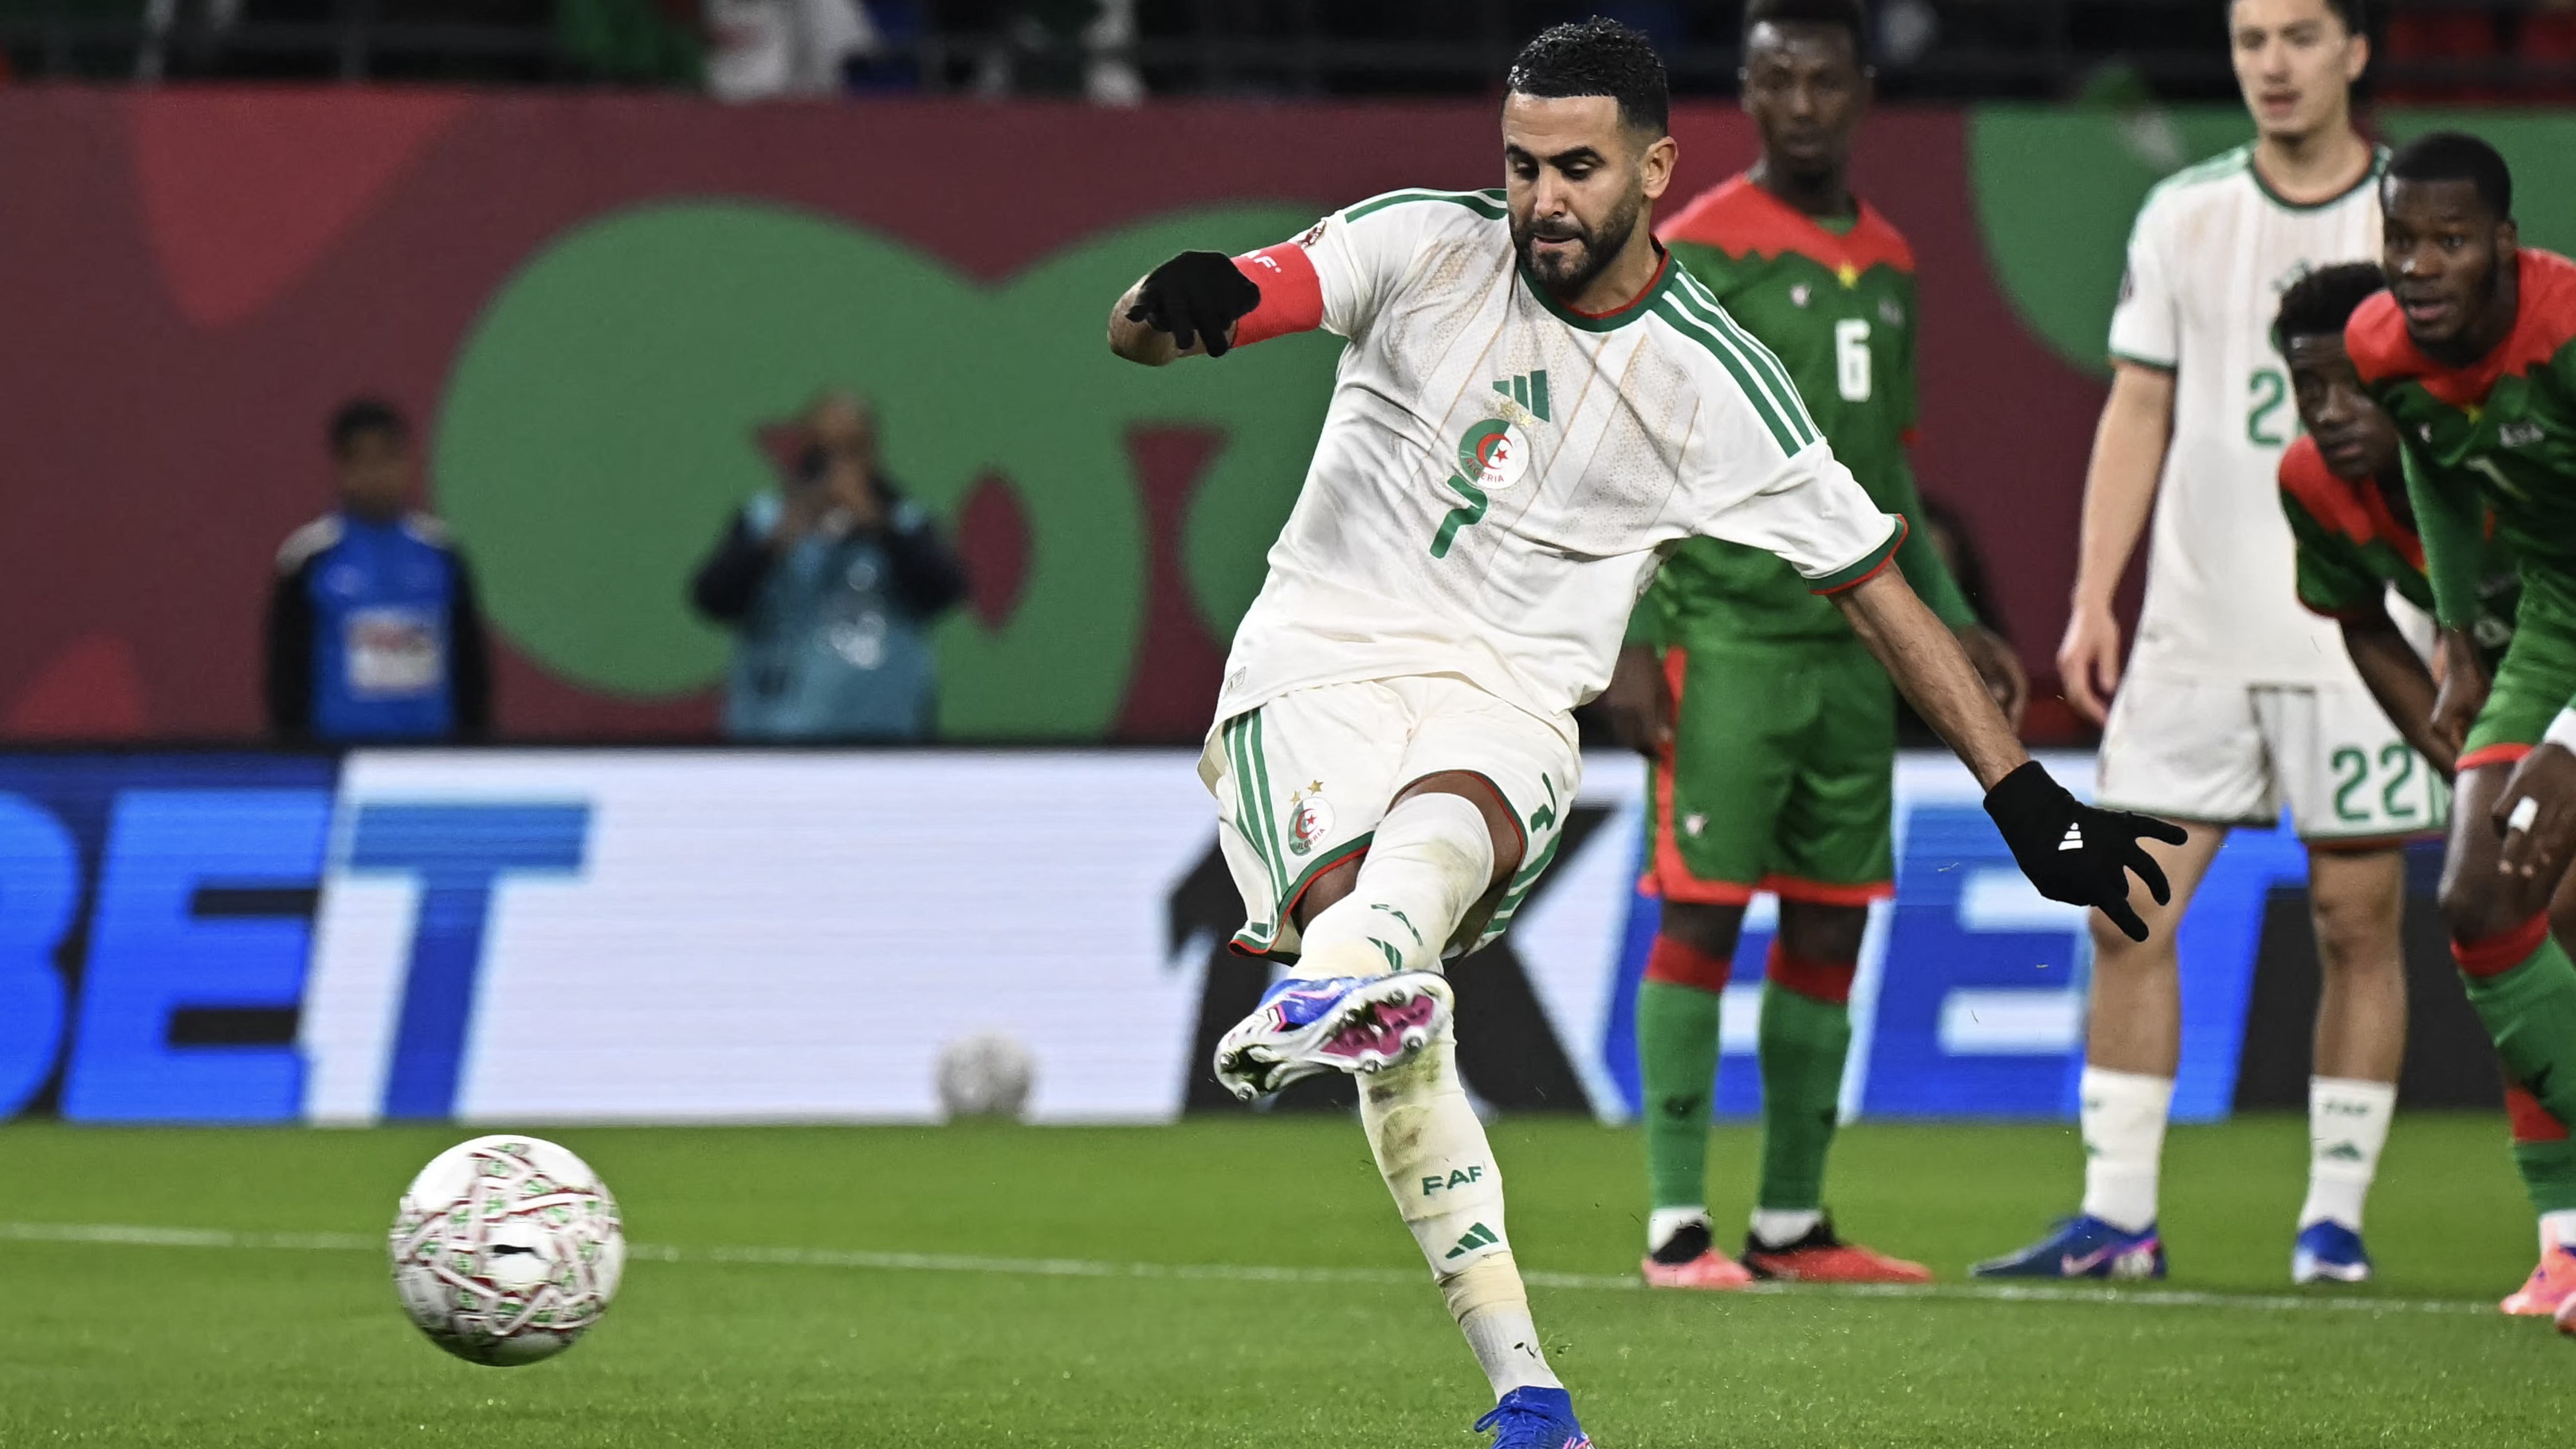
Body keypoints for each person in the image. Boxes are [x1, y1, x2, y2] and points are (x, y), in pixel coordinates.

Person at [1105, 18, 2181, 1444]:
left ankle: (1344, 975)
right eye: (1520, 163)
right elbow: (1210, 305)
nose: (1541, 198)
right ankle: (1528, 1387)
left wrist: (2024, 797)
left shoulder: (1714, 382)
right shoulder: (1423, 244)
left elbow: (1881, 590)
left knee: (1420, 869)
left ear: (1656, 167)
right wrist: (1165, 304)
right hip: (1315, 672)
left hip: (1508, 702)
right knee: (1394, 996)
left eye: (1576, 167)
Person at [1979, 0, 2420, 1287]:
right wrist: (2091, 593)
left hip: (2358, 624)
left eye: (2297, 37)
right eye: (2247, 41)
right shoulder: (2180, 211)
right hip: (2192, 623)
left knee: (2354, 916)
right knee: (2124, 907)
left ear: (2354, 50)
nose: (2270, 66)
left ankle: (2330, 1223)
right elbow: (2137, 405)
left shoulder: (2412, 219)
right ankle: (2116, 1216)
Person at [1594, 0, 2024, 1293]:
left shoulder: (1887, 258)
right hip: (1722, 637)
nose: (1796, 103)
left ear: (1858, 94)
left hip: (1851, 653)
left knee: (1832, 928)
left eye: (1820, 80)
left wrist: (1947, 617)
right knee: (1703, 917)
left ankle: (1790, 1224)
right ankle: (1676, 1228)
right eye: (1772, 79)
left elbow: (1884, 468)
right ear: (1746, 89)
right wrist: (1620, 632)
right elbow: (1626, 450)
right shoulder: (1698, 248)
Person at [2349, 131, 2576, 1333]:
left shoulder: (2571, 329)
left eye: (2449, 241)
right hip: (2552, 615)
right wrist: (2453, 634)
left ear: (2504, 242)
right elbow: (2436, 471)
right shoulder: (2381, 347)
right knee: (2481, 902)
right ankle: (2567, 1244)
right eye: (2400, 241)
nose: (2420, 265)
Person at [2275, 261, 2520, 772]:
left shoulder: (2505, 444)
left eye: (2356, 383)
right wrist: (2464, 767)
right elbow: (2363, 622)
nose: (2330, 411)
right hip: (2523, 698)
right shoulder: (2311, 481)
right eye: (2309, 386)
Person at [689, 391, 968, 742]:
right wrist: (772, 545)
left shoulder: (905, 523)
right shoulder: (765, 520)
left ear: (871, 453)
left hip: (884, 737)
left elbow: (945, 593)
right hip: (773, 738)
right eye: (823, 451)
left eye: (849, 450)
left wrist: (879, 527)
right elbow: (711, 599)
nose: (836, 467)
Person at [264, 398, 492, 744]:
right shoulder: (308, 557)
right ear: (340, 469)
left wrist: (472, 750)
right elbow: (286, 676)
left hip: (435, 757)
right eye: (361, 461)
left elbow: (472, 671)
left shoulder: (442, 553)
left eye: (388, 457)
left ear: (407, 462)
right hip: (337, 757)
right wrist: (296, 754)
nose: (376, 474)